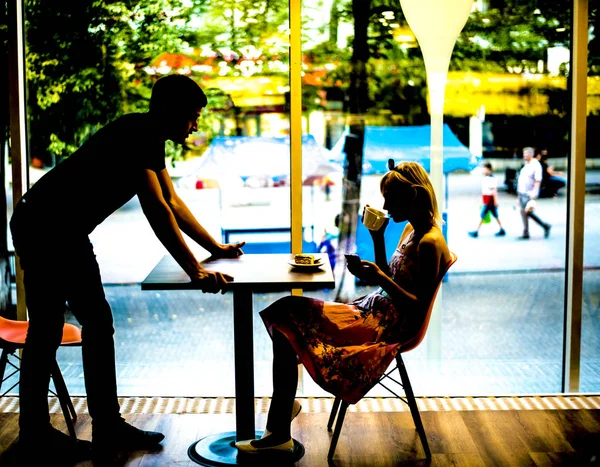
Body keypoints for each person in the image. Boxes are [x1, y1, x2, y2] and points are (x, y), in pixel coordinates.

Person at [10, 74, 245, 464]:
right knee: (60, 327)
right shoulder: (139, 133)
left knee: (86, 325)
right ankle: (46, 432)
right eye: (192, 116)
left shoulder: (147, 133)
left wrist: (214, 248)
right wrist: (195, 271)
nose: (196, 125)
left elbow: (171, 199)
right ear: (170, 111)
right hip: (47, 225)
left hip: (54, 224)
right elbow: (156, 210)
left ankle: (98, 425)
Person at [235, 161, 452, 454]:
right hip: (372, 311)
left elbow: (415, 309)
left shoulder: (430, 243)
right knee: (285, 311)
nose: (385, 206)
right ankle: (282, 413)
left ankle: (279, 428)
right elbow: (390, 275)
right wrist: (377, 241)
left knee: (289, 318)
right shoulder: (412, 232)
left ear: (412, 196)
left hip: (386, 328)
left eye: (390, 198)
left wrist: (377, 277)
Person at [517, 146, 551, 239]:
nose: (524, 156)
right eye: (524, 154)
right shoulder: (526, 164)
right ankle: (528, 231)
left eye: (526, 154)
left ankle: (541, 227)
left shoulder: (535, 165)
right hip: (522, 193)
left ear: (531, 154)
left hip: (529, 193)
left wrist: (534, 193)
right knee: (525, 212)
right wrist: (519, 194)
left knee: (526, 212)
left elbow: (538, 180)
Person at [468, 162, 506, 238]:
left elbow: (494, 190)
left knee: (482, 215)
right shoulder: (486, 178)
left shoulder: (491, 178)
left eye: (485, 169)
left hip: (489, 200)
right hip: (487, 199)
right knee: (495, 215)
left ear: (489, 169)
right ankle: (502, 229)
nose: (483, 170)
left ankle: (476, 231)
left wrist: (495, 201)